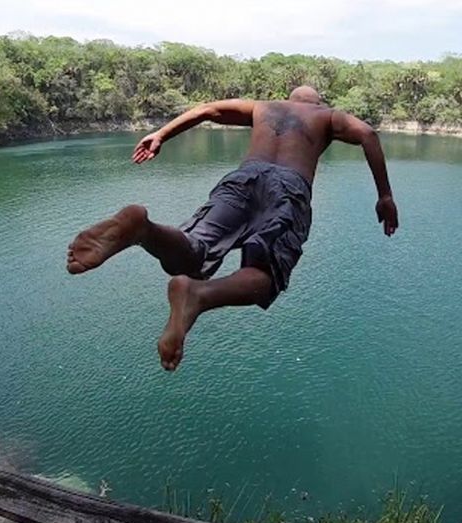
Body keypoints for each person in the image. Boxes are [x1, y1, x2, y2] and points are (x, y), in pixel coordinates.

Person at [65, 86, 399, 371]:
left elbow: (208, 110)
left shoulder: (263, 108)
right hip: (288, 189)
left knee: (191, 253)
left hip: (241, 179)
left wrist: (160, 134)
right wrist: (384, 194)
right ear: (318, 102)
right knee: (265, 276)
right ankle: (198, 295)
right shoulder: (328, 116)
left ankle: (144, 229)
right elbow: (368, 134)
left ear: (288, 97)